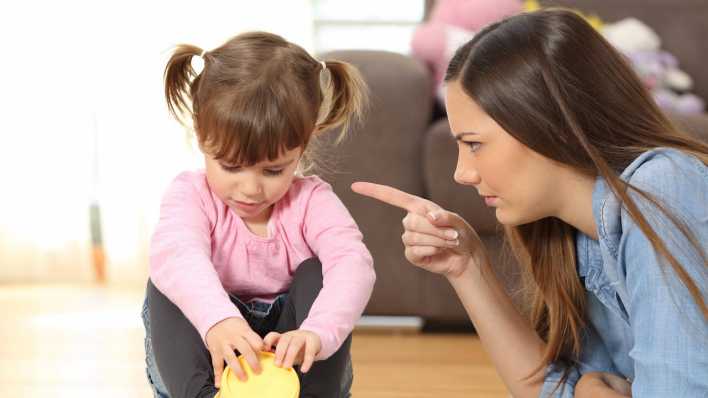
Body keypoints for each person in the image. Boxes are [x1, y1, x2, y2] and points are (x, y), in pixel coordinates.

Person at [353, 9, 707, 398]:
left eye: (474, 144)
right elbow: (551, 391)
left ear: (551, 122)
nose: (462, 173)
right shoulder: (575, 236)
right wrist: (467, 266)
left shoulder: (663, 188)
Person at [141, 31, 376, 398]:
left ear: (304, 144)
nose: (251, 189)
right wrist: (219, 320)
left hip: (292, 361)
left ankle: (311, 393)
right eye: (232, 167)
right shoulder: (190, 194)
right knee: (168, 278)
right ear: (201, 136)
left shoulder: (312, 200)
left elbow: (353, 264)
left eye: (272, 170)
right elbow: (179, 253)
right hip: (210, 354)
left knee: (319, 271)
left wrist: (317, 332)